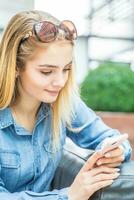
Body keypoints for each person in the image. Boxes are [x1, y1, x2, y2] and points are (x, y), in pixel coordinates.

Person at [0, 10, 132, 200]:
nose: (61, 82)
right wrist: (69, 196)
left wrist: (114, 150)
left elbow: (111, 137)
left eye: (66, 69)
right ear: (15, 68)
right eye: (47, 71)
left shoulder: (63, 103)